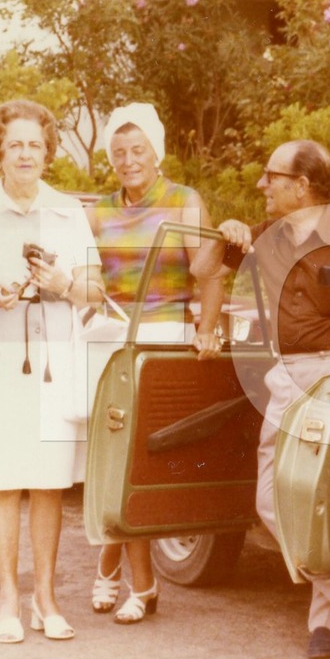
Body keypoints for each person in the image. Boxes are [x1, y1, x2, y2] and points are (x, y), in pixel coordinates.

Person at [200, 140, 330, 659]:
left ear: (303, 186)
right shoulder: (264, 235)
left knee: (325, 494)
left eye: (271, 176)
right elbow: (206, 273)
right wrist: (225, 234)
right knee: (272, 496)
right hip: (293, 376)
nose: (261, 185)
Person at [0, 99, 102, 644]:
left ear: (48, 152)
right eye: (15, 146)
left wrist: (61, 285)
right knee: (4, 481)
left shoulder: (68, 212)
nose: (25, 154)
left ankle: (45, 600)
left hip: (54, 359)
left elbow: (96, 294)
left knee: (49, 482)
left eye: (35, 144)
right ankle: (8, 597)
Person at [85, 102, 226, 625]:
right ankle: (122, 574)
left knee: (134, 462)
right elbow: (86, 279)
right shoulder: (96, 212)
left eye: (137, 149)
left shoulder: (184, 202)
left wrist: (207, 329)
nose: (128, 160)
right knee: (108, 460)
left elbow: (211, 274)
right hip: (107, 341)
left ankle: (132, 579)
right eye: (118, 152)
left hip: (162, 340)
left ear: (156, 151)